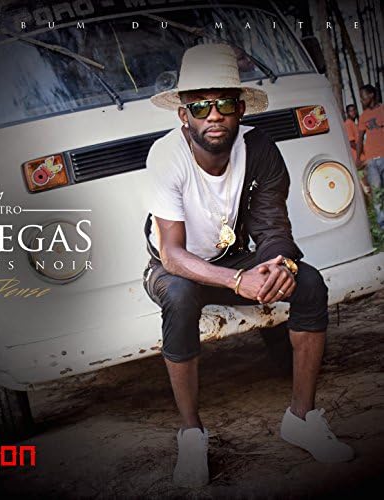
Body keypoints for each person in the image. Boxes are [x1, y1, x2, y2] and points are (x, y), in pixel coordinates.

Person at [142, 43, 354, 488]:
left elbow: (272, 224)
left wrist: (279, 265)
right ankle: (192, 434)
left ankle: (301, 417)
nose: (213, 116)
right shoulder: (166, 156)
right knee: (179, 297)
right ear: (184, 115)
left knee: (309, 283)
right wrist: (238, 280)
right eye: (200, 106)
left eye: (224, 104)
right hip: (177, 268)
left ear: (240, 108)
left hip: (234, 259)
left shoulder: (259, 147)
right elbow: (171, 254)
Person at [356, 84, 384, 229]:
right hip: (371, 160)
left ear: (372, 95)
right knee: (376, 192)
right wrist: (358, 158)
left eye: (363, 97)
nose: (362, 100)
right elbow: (360, 138)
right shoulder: (363, 117)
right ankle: (382, 225)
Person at [344, 104, 370, 196]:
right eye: (351, 111)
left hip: (362, 157)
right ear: (347, 113)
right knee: (367, 182)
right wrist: (361, 152)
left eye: (354, 110)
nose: (353, 112)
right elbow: (351, 142)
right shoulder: (348, 124)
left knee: (367, 180)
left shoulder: (353, 123)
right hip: (359, 158)